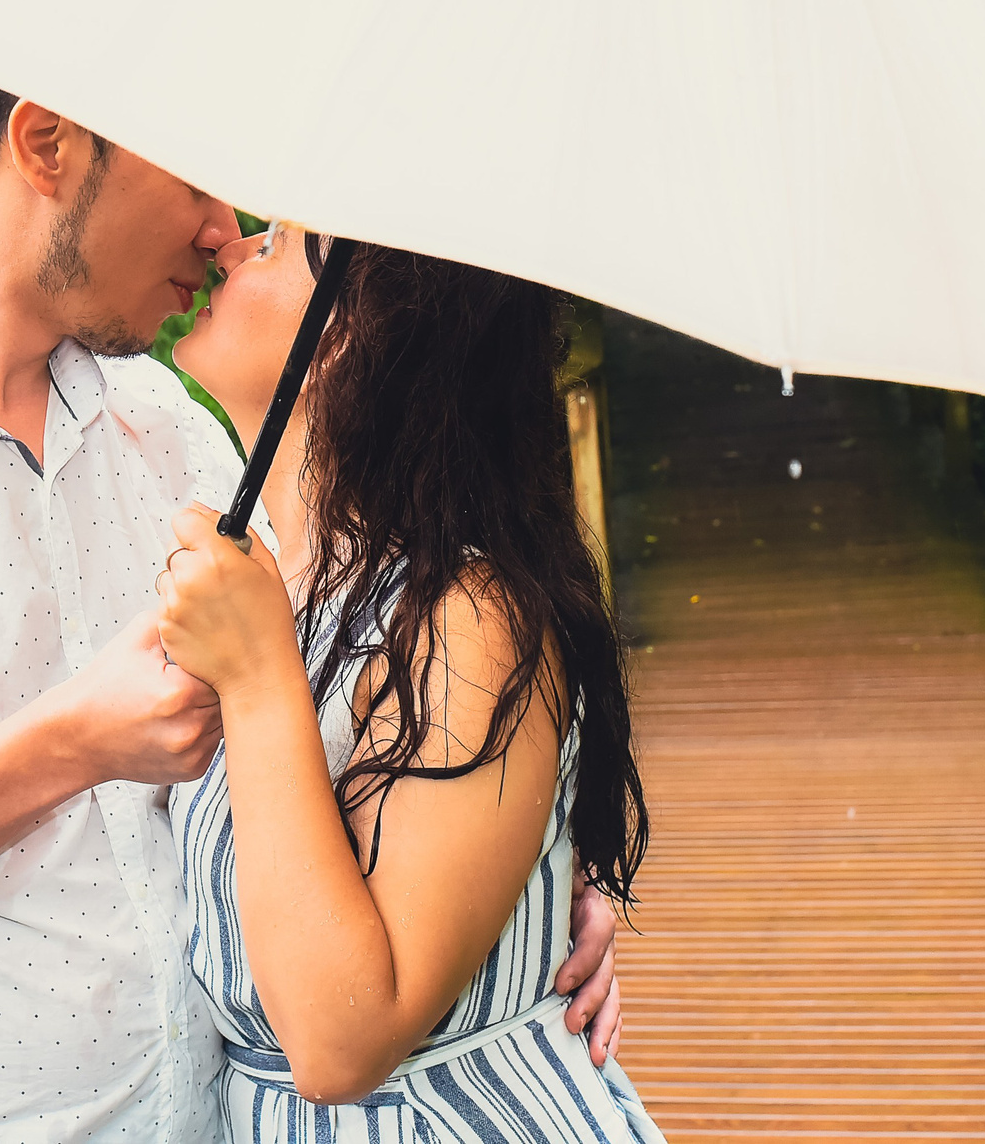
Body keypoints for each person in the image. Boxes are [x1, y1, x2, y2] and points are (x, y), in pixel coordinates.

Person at [0, 74, 624, 1144]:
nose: (221, 229)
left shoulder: (180, 443)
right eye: (196, 175)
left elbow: (367, 705)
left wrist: (517, 892)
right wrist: (64, 746)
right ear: (47, 145)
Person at [159, 225, 658, 1141]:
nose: (231, 245)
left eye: (275, 247)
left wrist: (260, 675)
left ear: (349, 338)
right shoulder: (277, 581)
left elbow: (342, 1040)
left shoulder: (468, 615)